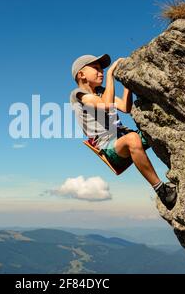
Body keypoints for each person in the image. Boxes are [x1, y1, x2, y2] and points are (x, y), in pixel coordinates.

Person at [69, 54, 177, 210]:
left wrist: (127, 83)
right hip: (109, 148)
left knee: (157, 127)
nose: (101, 72)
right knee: (133, 138)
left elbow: (125, 107)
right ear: (81, 74)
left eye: (102, 69)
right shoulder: (78, 95)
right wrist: (111, 75)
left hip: (123, 138)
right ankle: (161, 190)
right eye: (97, 69)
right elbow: (106, 104)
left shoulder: (101, 91)